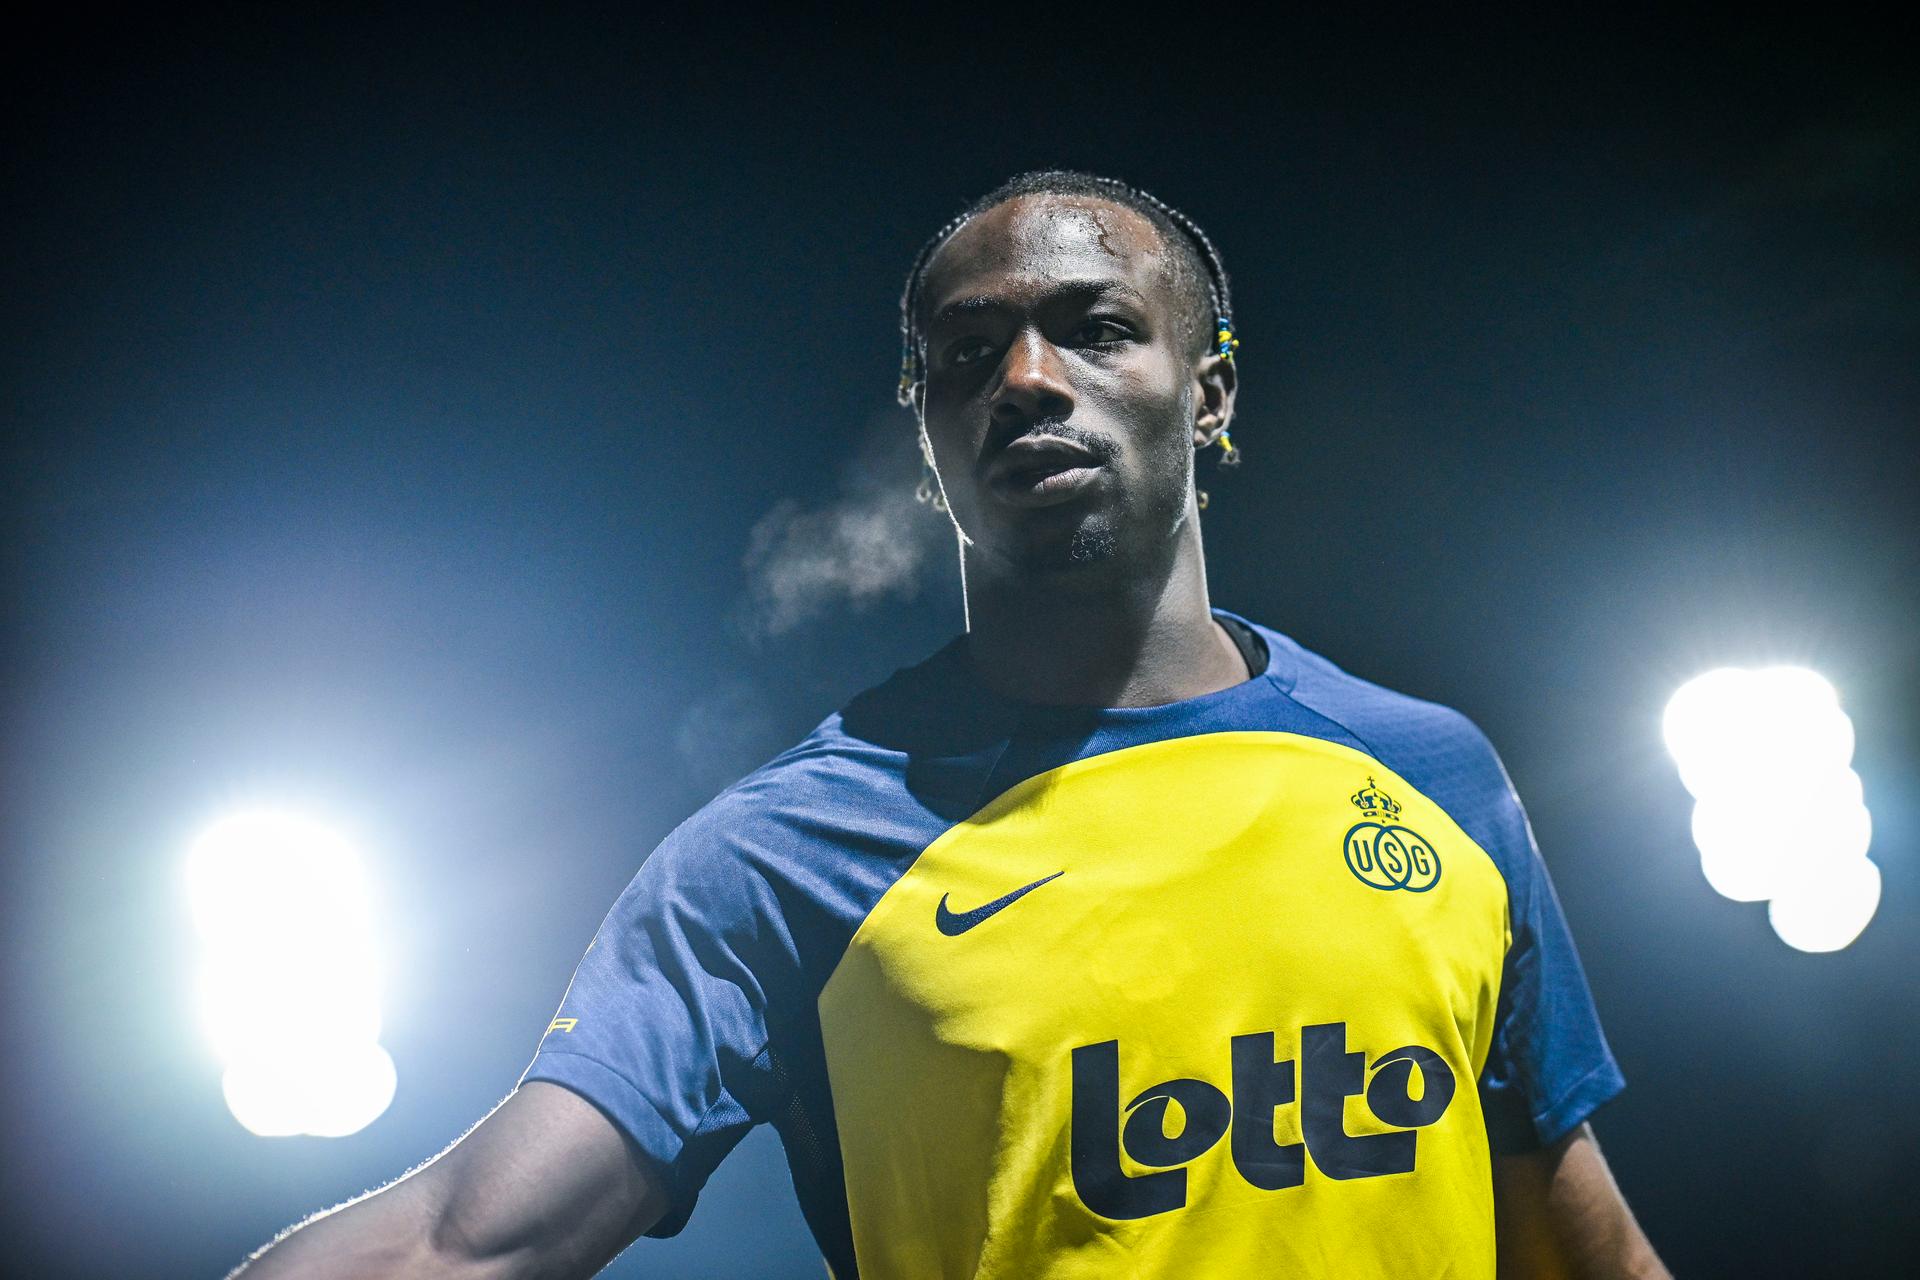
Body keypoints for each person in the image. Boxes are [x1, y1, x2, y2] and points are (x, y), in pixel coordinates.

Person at [233, 171, 1670, 1279]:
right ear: (929, 443)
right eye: (970, 354)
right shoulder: (783, 854)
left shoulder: (1430, 776)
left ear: (1210, 393)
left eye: (1095, 329)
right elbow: (462, 1239)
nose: (1027, 379)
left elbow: (1573, 1240)